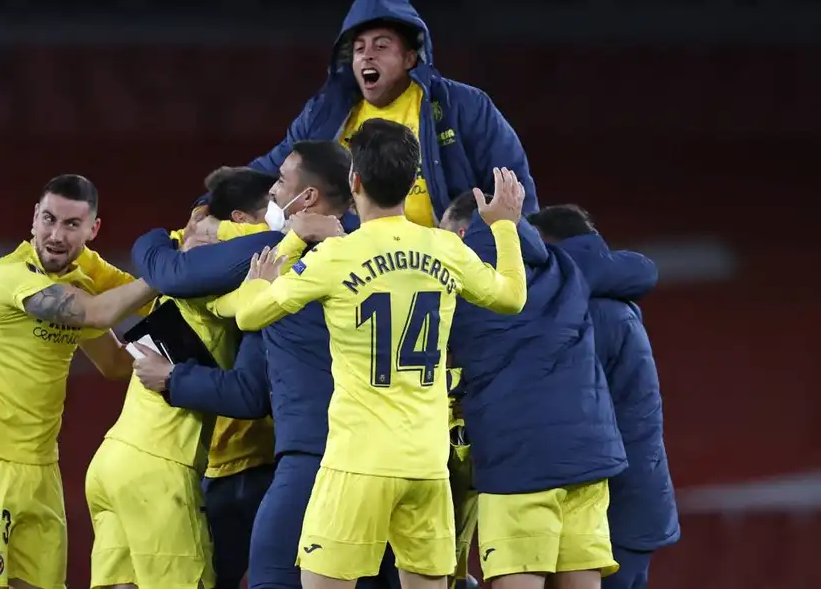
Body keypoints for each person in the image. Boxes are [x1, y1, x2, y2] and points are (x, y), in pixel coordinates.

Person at [235, 119, 528, 589]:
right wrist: (505, 229)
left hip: (357, 461)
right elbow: (512, 297)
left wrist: (263, 279)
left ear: (355, 181)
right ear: (415, 180)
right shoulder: (445, 248)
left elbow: (249, 317)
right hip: (428, 465)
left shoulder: (336, 255)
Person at [133, 140, 403, 589]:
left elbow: (172, 274)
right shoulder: (393, 254)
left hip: (315, 454)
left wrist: (166, 237)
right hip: (397, 456)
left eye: (280, 181)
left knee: (272, 577)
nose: (273, 192)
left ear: (309, 198)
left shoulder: (275, 255)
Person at [0, 174, 158, 589]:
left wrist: (181, 361)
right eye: (48, 219)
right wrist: (171, 273)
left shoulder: (80, 279)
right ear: (34, 219)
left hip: (41, 466)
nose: (56, 235)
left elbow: (113, 362)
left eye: (71, 225)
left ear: (93, 230)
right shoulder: (8, 278)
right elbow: (96, 313)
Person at [85, 167, 280, 589]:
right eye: (273, 212)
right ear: (242, 222)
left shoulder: (180, 268)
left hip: (112, 461)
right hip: (159, 470)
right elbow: (243, 315)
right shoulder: (217, 274)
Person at [197, 0, 537, 231]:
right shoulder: (325, 113)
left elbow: (514, 189)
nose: (366, 56)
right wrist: (210, 203)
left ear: (410, 58)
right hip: (345, 264)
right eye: (359, 49)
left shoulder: (463, 106)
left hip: (444, 267)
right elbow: (273, 168)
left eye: (381, 46)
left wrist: (523, 253)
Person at [439, 192, 631, 589]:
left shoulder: (462, 287)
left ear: (462, 233)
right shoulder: (565, 267)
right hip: (588, 456)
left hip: (519, 462)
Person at [528, 205, 681, 589]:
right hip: (631, 498)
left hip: (608, 506)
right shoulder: (611, 302)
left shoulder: (586, 312)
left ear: (552, 246)